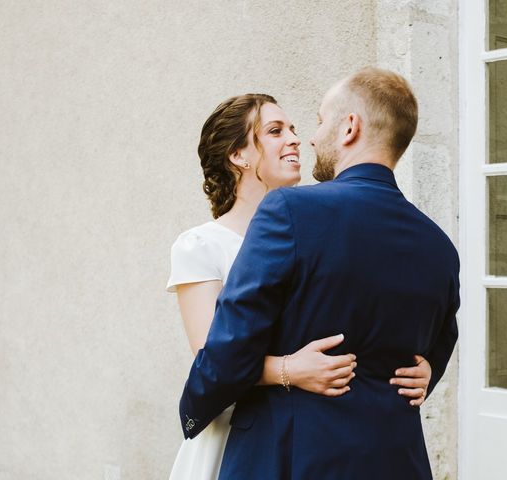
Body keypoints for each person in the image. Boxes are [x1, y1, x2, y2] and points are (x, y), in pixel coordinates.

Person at [168, 93, 433, 479]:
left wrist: (418, 363)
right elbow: (210, 358)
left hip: (317, 442)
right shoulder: (200, 245)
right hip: (236, 432)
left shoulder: (316, 230)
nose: (294, 138)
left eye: (293, 128)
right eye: (275, 131)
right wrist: (289, 369)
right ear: (238, 155)